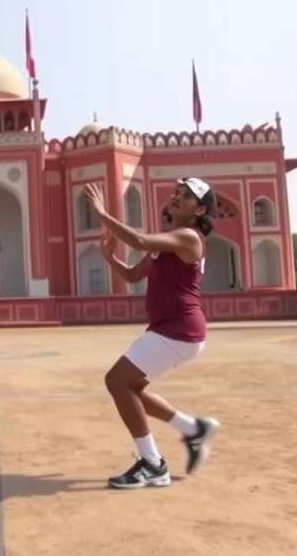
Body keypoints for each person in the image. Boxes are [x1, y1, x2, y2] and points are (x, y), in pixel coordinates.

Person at [84, 177, 221, 489]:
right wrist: (109, 259)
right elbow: (133, 274)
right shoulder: (171, 239)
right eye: (177, 192)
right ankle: (193, 429)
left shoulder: (189, 237)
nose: (176, 197)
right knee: (131, 389)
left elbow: (140, 241)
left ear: (199, 210)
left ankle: (153, 464)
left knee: (116, 381)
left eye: (186, 196)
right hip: (169, 329)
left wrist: (102, 213)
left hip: (180, 330)